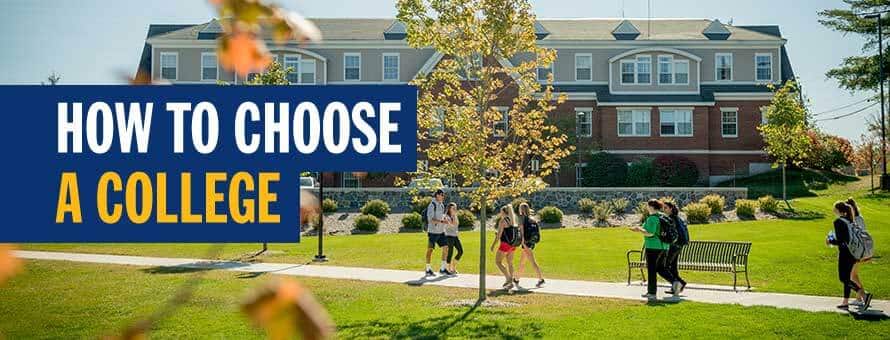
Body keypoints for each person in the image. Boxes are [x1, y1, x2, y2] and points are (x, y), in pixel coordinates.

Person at [826, 201, 872, 310]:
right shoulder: (850, 220)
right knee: (847, 277)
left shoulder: (838, 221)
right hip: (854, 253)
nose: (833, 210)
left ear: (838, 210)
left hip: (845, 253)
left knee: (843, 278)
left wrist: (830, 241)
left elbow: (842, 241)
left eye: (834, 208)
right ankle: (845, 302)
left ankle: (864, 294)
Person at [629, 199, 675, 301]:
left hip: (653, 247)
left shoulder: (652, 218)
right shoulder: (662, 216)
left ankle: (652, 293)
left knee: (652, 270)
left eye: (647, 206)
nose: (646, 207)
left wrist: (638, 229)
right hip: (664, 246)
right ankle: (676, 282)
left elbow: (650, 233)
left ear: (651, 207)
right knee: (660, 268)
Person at [491, 204, 522, 290]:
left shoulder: (503, 221)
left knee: (498, 262)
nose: (500, 213)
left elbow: (498, 236)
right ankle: (510, 281)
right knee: (510, 263)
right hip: (512, 245)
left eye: (501, 211)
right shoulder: (513, 220)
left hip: (505, 245)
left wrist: (493, 245)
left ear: (504, 212)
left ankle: (508, 279)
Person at [514, 202, 545, 288]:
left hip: (526, 243)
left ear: (522, 210)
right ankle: (516, 279)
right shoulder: (532, 219)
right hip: (531, 242)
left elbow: (522, 232)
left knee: (532, 261)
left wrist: (523, 243)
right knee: (522, 262)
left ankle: (541, 279)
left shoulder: (522, 219)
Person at [662, 201, 689, 296]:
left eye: (665, 208)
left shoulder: (671, 219)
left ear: (671, 209)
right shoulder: (677, 218)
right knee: (673, 266)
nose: (663, 209)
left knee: (665, 266)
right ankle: (675, 287)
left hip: (674, 246)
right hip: (679, 245)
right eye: (663, 208)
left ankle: (679, 282)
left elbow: (670, 234)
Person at [847, 197, 868, 302]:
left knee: (852, 275)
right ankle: (859, 297)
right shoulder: (860, 218)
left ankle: (863, 295)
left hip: (855, 251)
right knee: (854, 274)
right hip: (861, 250)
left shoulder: (853, 220)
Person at [424, 189, 449, 276]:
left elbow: (441, 216)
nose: (443, 197)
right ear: (437, 195)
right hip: (433, 232)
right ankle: (428, 269)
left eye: (443, 195)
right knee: (430, 250)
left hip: (441, 231)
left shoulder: (441, 205)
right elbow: (430, 219)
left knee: (446, 247)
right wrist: (442, 222)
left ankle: (443, 268)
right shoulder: (432, 205)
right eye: (442, 195)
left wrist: (444, 219)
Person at [444, 202, 463, 275]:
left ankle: (453, 266)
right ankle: (448, 269)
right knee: (450, 252)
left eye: (455, 208)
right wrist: (454, 216)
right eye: (453, 208)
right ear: (449, 209)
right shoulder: (446, 216)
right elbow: (452, 224)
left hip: (455, 236)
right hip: (448, 236)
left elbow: (456, 224)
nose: (455, 209)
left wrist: (454, 215)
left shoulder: (455, 216)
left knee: (460, 251)